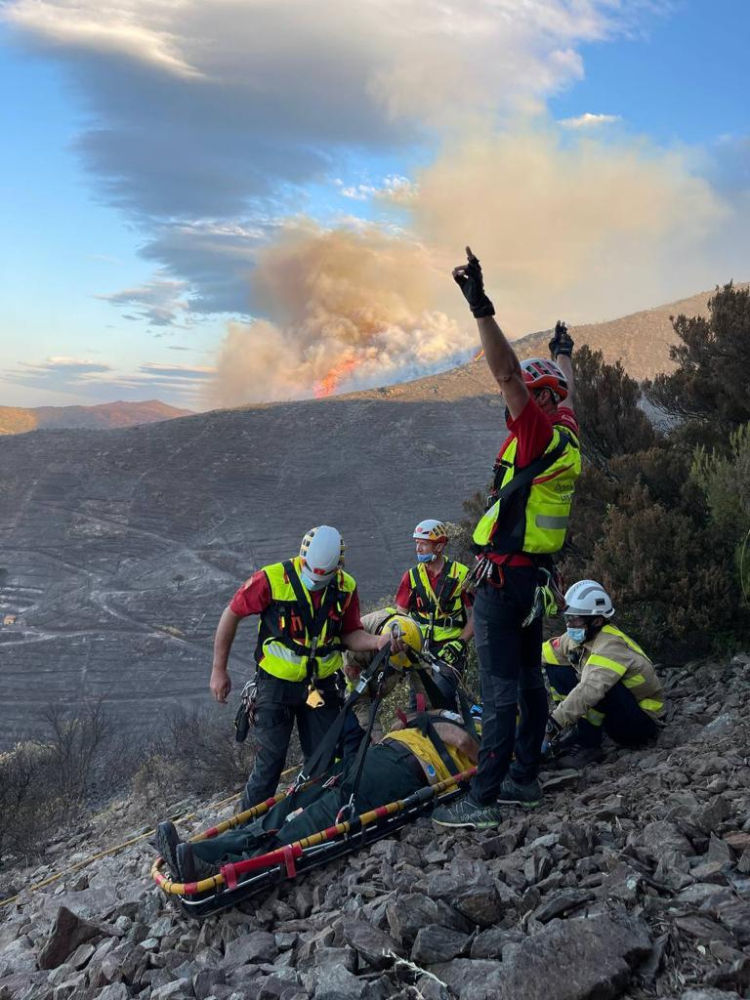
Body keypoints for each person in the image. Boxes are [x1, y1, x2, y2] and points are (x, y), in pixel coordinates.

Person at [432, 247, 581, 830]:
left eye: (528, 396)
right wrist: (564, 356)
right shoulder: (568, 435)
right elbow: (567, 391)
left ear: (539, 402)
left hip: (503, 581)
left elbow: (504, 372)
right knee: (528, 681)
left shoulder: (537, 431)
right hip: (533, 579)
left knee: (498, 689)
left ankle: (485, 799)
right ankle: (524, 779)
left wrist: (481, 307)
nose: (511, 406)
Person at [156, 711, 479, 883]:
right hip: (379, 755)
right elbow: (398, 723)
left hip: (408, 771)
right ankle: (195, 853)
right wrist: (433, 717)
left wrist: (442, 727)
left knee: (315, 821)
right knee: (290, 805)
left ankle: (229, 870)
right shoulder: (455, 709)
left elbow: (464, 742)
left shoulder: (490, 727)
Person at [210, 525, 400, 810]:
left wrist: (377, 641)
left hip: (318, 688)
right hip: (276, 686)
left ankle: (312, 818)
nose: (316, 580)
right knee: (270, 762)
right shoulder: (273, 579)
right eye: (312, 572)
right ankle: (247, 826)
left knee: (322, 759)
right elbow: (232, 614)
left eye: (324, 576)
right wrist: (218, 670)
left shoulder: (345, 587)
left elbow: (349, 634)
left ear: (338, 565)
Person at [542, 580, 666, 768]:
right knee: (555, 665)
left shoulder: (610, 645)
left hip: (641, 723)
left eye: (574, 619)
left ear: (597, 621)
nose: (569, 624)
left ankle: (589, 745)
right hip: (621, 711)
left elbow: (589, 690)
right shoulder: (583, 635)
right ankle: (581, 729)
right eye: (567, 618)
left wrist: (552, 724)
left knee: (597, 686)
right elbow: (547, 652)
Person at [394, 519, 474, 709]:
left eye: (423, 544)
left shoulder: (461, 575)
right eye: (416, 543)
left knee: (440, 698)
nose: (418, 549)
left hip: (450, 652)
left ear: (439, 546)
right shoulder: (411, 577)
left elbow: (477, 615)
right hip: (420, 652)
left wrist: (460, 642)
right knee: (417, 705)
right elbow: (400, 616)